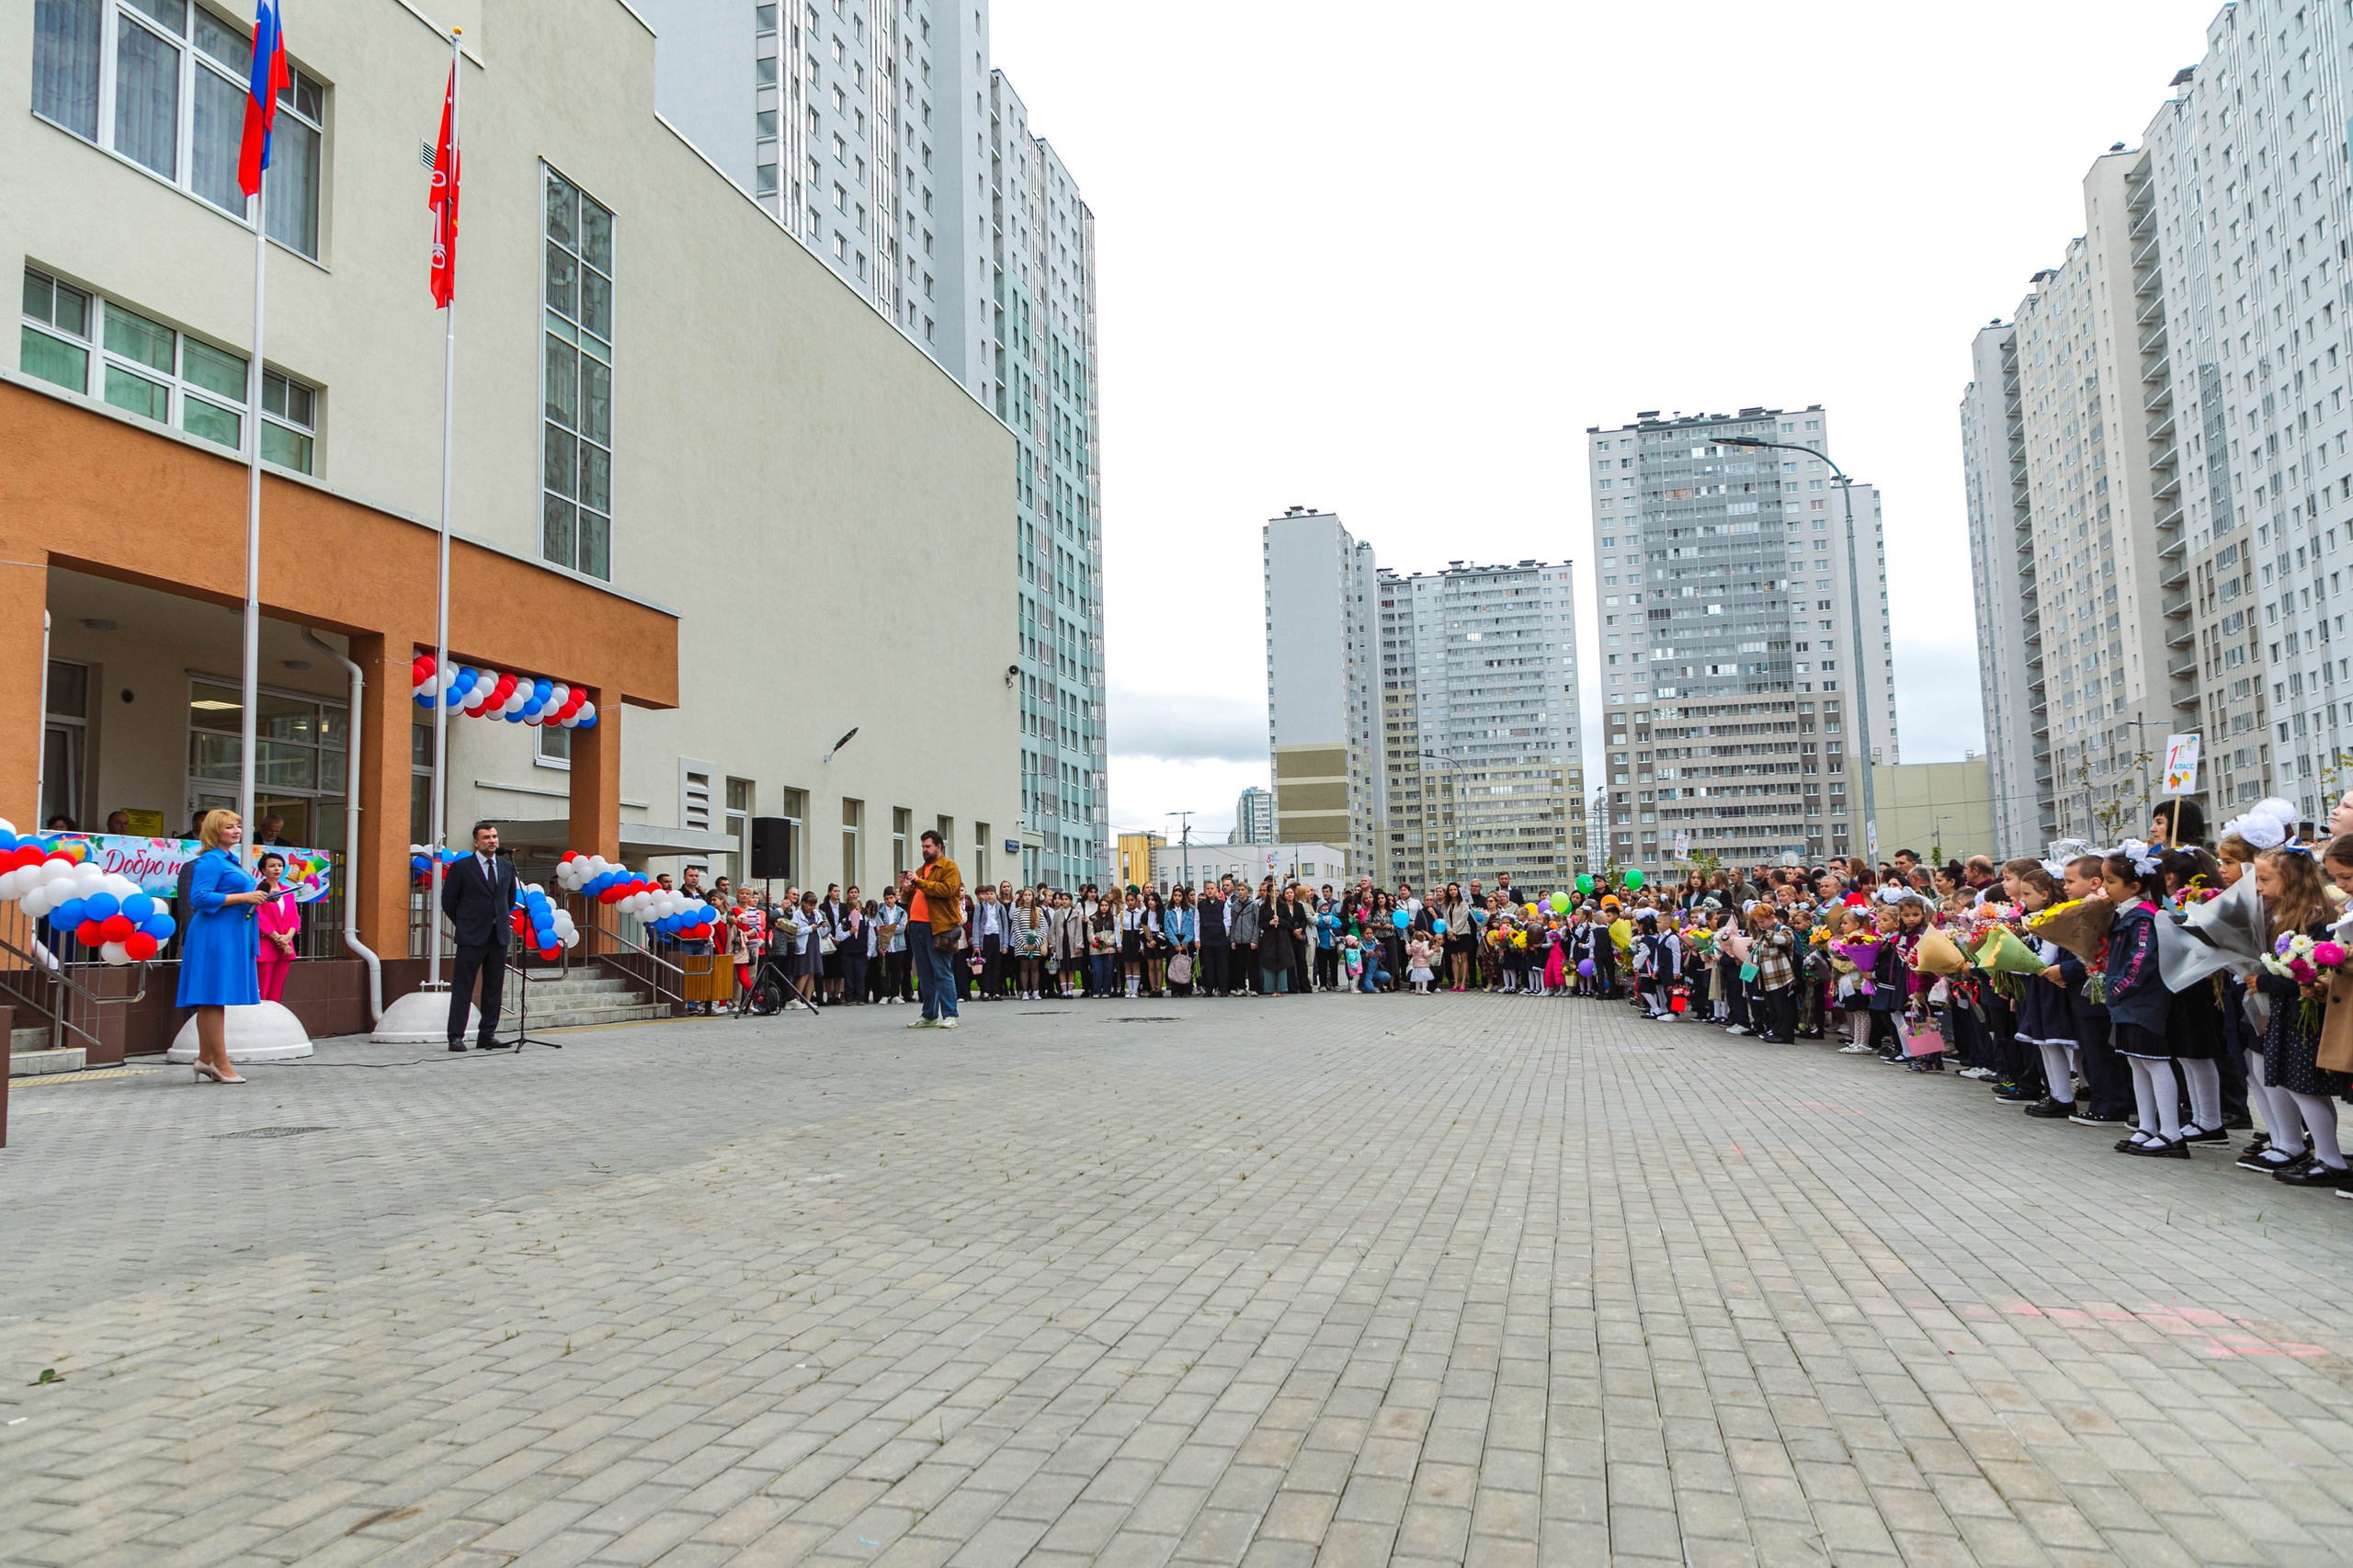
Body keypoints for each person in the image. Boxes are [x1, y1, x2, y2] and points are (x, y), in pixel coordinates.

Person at [2244, 846, 2351, 1185]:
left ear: (2290, 882)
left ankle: (2330, 1159)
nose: (2258, 886)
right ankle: (2325, 1156)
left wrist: (2264, 982)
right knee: (2301, 1089)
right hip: (2289, 1014)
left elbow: (2312, 971)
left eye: (2265, 879)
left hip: (2306, 1016)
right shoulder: (2281, 915)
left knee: (2306, 1088)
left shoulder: (2315, 919)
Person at [176, 811, 268, 1083]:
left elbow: (233, 895)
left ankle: (205, 1060)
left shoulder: (228, 860)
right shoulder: (210, 860)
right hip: (214, 935)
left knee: (215, 998)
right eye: (229, 827)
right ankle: (220, 1063)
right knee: (212, 998)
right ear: (215, 831)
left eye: (238, 826)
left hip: (229, 933)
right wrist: (245, 896)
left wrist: (258, 897)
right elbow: (199, 897)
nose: (237, 830)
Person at [441, 821, 517, 1052]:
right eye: (486, 837)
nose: (492, 841)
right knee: (463, 987)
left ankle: (487, 1035)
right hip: (471, 937)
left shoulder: (507, 867)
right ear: (476, 842)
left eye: (494, 837)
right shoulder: (462, 867)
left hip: (498, 936)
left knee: (494, 987)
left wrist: (497, 920)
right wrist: (467, 923)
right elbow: (448, 901)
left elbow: (509, 900)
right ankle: (456, 1036)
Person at [901, 829, 963, 1028]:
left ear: (939, 846)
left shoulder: (949, 866)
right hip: (916, 925)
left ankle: (950, 1014)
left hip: (937, 927)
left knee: (942, 971)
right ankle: (929, 1015)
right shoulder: (921, 870)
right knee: (924, 974)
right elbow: (909, 898)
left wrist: (919, 882)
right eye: (922, 847)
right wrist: (906, 889)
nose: (924, 850)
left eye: (928, 846)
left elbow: (947, 890)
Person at [254, 851, 298, 1003]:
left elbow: (295, 918)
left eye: (280, 865)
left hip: (285, 947)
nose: (277, 869)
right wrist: (279, 939)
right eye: (272, 866)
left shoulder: (288, 891)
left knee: (276, 992)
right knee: (262, 991)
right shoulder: (258, 891)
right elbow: (259, 918)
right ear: (263, 870)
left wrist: (288, 938)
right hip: (266, 945)